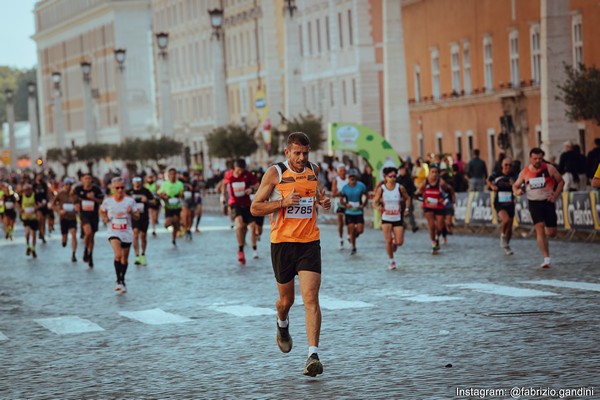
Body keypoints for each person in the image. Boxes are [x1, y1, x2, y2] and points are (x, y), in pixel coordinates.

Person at [250, 132, 331, 378]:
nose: (302, 158)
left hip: (309, 242)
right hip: (283, 244)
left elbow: (316, 195)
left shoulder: (313, 170)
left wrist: (323, 202)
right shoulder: (275, 173)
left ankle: (312, 355)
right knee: (287, 301)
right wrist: (282, 203)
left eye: (305, 153)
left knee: (311, 298)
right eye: (297, 153)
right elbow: (255, 207)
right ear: (287, 152)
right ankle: (282, 323)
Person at [513, 148, 564, 268]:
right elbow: (515, 186)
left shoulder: (549, 168)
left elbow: (561, 182)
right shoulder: (525, 172)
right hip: (534, 203)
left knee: (552, 233)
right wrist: (518, 192)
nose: (537, 161)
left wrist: (555, 195)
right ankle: (546, 258)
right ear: (530, 159)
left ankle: (546, 238)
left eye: (540, 159)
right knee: (539, 227)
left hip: (548, 202)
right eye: (535, 159)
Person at [100, 177, 139, 293]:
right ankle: (118, 281)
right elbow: (101, 210)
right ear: (112, 189)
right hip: (113, 231)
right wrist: (104, 217)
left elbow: (137, 216)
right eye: (117, 188)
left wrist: (131, 212)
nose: (120, 190)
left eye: (122, 188)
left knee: (124, 259)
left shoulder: (130, 201)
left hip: (126, 232)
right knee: (118, 255)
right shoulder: (108, 201)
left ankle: (123, 279)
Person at [373, 166, 411, 270]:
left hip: (397, 217)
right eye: (390, 176)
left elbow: (407, 198)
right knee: (388, 240)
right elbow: (374, 202)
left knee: (399, 242)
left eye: (395, 176)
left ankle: (395, 242)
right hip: (386, 218)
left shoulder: (400, 187)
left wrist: (407, 209)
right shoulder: (382, 189)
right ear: (385, 177)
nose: (393, 178)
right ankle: (391, 261)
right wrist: (378, 208)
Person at [222, 159, 259, 265]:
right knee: (239, 224)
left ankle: (253, 249)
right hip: (234, 204)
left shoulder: (247, 175)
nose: (239, 173)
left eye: (241, 170)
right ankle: (240, 250)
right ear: (234, 167)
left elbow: (257, 185)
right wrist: (223, 196)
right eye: (238, 170)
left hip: (247, 204)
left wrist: (251, 189)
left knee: (252, 227)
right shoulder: (228, 174)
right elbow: (224, 184)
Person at [416, 163, 454, 254]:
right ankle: (433, 243)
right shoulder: (425, 182)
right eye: (432, 172)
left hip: (438, 206)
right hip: (428, 207)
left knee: (440, 227)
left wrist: (443, 199)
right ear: (429, 173)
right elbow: (417, 195)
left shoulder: (441, 183)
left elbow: (448, 192)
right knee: (432, 225)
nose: (434, 174)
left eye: (436, 172)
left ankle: (437, 237)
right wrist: (424, 200)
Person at [73, 173, 105, 268]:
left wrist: (93, 198)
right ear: (82, 180)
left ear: (91, 180)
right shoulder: (78, 189)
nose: (87, 180)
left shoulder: (96, 189)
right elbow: (72, 196)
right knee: (88, 232)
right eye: (85, 178)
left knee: (92, 236)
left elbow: (102, 201)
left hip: (94, 215)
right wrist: (75, 203)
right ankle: (85, 250)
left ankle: (90, 255)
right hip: (84, 215)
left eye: (89, 178)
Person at [487, 157, 517, 255]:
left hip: (510, 202)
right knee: (506, 220)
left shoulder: (514, 175)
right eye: (506, 165)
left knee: (510, 227)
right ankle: (502, 236)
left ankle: (506, 246)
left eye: (510, 165)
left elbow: (519, 186)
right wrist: (492, 186)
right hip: (499, 202)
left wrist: (515, 185)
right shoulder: (497, 174)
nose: (508, 167)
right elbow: (488, 180)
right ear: (502, 165)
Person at [340, 168, 368, 255]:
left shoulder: (361, 186)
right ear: (348, 178)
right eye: (350, 177)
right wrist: (346, 204)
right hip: (349, 212)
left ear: (356, 178)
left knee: (360, 230)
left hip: (358, 211)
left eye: (354, 177)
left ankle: (352, 237)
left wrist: (363, 204)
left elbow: (366, 195)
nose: (352, 178)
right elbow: (341, 199)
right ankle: (353, 247)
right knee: (351, 229)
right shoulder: (345, 188)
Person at [128, 176, 155, 266]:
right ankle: (137, 255)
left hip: (144, 216)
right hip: (134, 216)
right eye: (135, 181)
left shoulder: (146, 191)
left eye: (139, 181)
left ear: (141, 182)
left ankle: (143, 254)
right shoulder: (130, 192)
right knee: (135, 234)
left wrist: (147, 201)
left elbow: (154, 202)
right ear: (132, 182)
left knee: (143, 236)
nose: (137, 183)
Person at [53, 177, 78, 262]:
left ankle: (74, 254)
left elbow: (78, 204)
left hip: (72, 217)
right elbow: (52, 204)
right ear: (64, 185)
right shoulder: (60, 194)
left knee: (74, 234)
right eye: (67, 184)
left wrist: (77, 208)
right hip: (64, 218)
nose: (68, 186)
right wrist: (59, 211)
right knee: (65, 237)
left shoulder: (75, 194)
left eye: (70, 185)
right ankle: (64, 241)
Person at [158, 167, 184, 247]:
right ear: (168, 175)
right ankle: (169, 225)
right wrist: (164, 196)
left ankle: (173, 239)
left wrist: (180, 195)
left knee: (176, 223)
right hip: (168, 206)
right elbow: (159, 193)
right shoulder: (165, 184)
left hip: (176, 206)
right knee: (168, 223)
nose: (172, 176)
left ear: (176, 175)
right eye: (171, 174)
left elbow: (182, 194)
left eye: (174, 174)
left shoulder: (179, 184)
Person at [18, 184, 40, 258]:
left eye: (28, 190)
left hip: (34, 218)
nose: (27, 192)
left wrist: (35, 209)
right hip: (26, 218)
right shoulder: (21, 197)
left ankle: (33, 248)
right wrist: (21, 210)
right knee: (27, 233)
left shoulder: (35, 195)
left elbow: (39, 204)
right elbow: (18, 206)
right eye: (25, 190)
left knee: (34, 234)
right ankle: (28, 246)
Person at [331, 165, 348, 250]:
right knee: (340, 222)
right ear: (338, 172)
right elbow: (333, 194)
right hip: (339, 203)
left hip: (348, 202)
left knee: (350, 220)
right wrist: (343, 193)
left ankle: (349, 235)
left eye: (344, 170)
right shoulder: (336, 180)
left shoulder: (349, 179)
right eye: (341, 171)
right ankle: (341, 239)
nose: (343, 172)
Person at [396, 163, 418, 232]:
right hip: (400, 199)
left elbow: (413, 188)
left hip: (408, 198)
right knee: (400, 213)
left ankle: (413, 226)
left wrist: (409, 195)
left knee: (410, 212)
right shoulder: (398, 179)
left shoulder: (408, 179)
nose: (402, 171)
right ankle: (402, 225)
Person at [33, 172, 49, 243]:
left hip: (44, 204)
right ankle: (40, 231)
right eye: (39, 176)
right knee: (40, 218)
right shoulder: (34, 185)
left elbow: (47, 194)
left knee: (44, 221)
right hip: (37, 204)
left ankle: (43, 235)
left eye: (41, 176)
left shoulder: (44, 185)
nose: (40, 177)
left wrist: (47, 201)